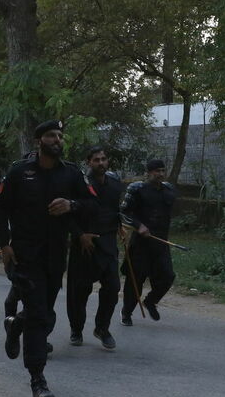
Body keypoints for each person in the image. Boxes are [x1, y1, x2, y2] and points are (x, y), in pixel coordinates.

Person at [0, 120, 92, 397]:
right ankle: (38, 380)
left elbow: (92, 205)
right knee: (39, 316)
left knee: (44, 312)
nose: (58, 140)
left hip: (56, 255)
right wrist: (3, 243)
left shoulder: (71, 174)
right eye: (52, 135)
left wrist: (71, 206)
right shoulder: (19, 172)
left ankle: (15, 324)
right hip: (25, 255)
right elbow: (1, 208)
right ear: (39, 141)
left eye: (61, 136)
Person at [67, 146, 124, 350]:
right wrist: (80, 235)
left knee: (113, 287)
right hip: (85, 245)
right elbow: (69, 215)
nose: (101, 163)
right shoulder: (79, 185)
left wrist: (120, 225)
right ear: (88, 162)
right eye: (96, 160)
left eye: (103, 159)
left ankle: (102, 328)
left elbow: (115, 210)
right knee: (79, 291)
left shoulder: (115, 184)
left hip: (108, 244)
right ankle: (76, 329)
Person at [120, 159, 177, 325]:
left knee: (167, 276)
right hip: (140, 244)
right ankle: (126, 313)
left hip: (160, 243)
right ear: (149, 172)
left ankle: (151, 301)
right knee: (135, 280)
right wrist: (139, 226)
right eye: (156, 171)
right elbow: (124, 213)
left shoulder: (168, 191)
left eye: (162, 170)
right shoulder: (137, 189)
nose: (160, 174)